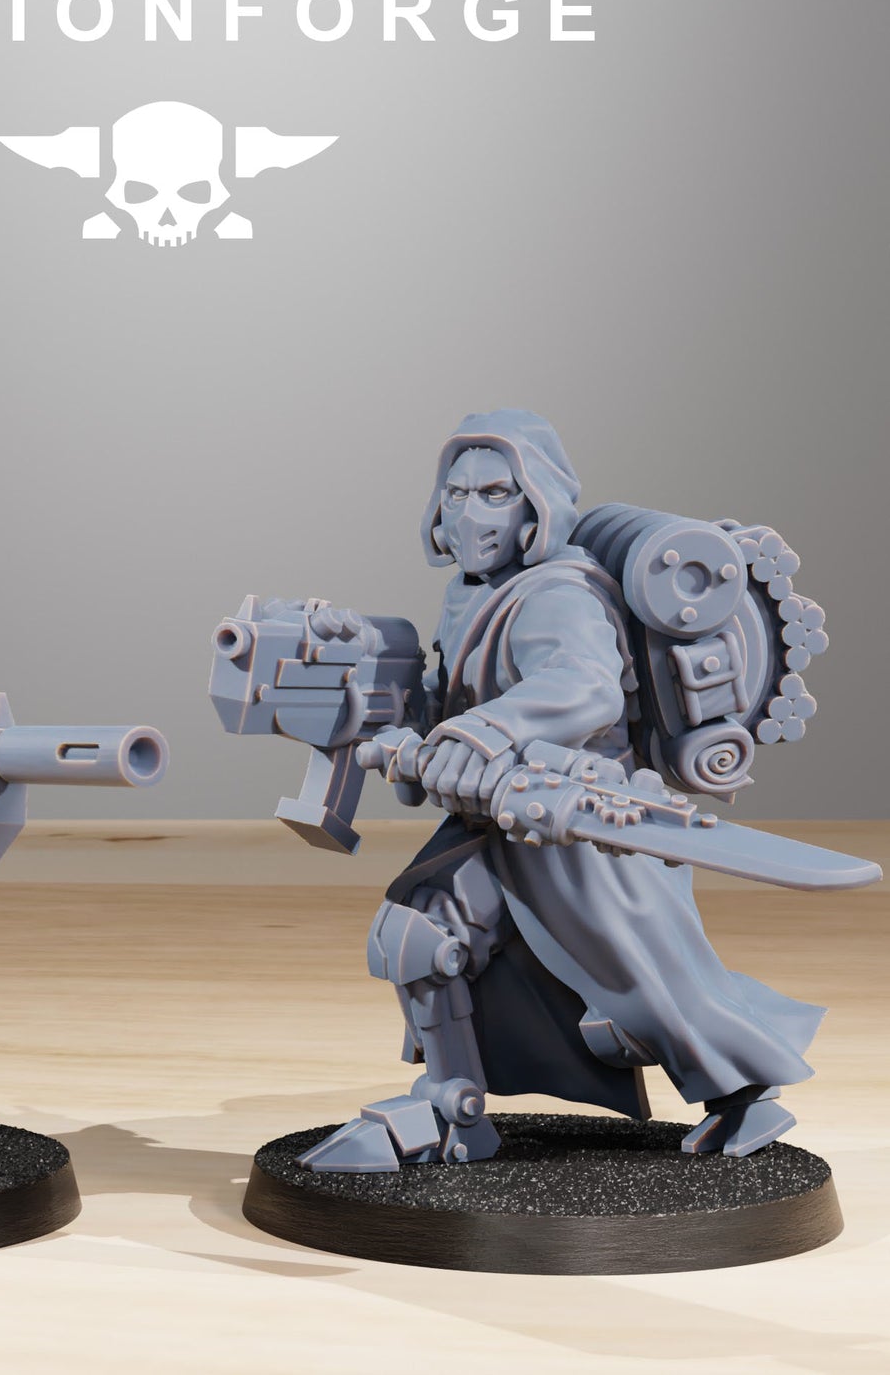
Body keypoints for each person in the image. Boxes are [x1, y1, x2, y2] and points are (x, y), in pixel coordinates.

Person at [298, 411, 823, 1172]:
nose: (469, 512)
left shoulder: (556, 592)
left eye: (494, 492)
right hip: (498, 819)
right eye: (456, 492)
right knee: (419, 937)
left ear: (535, 503)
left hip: (576, 826)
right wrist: (380, 709)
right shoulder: (473, 591)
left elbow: (584, 688)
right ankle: (452, 1109)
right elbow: (459, 700)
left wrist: (482, 732)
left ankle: (747, 1092)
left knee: (647, 985)